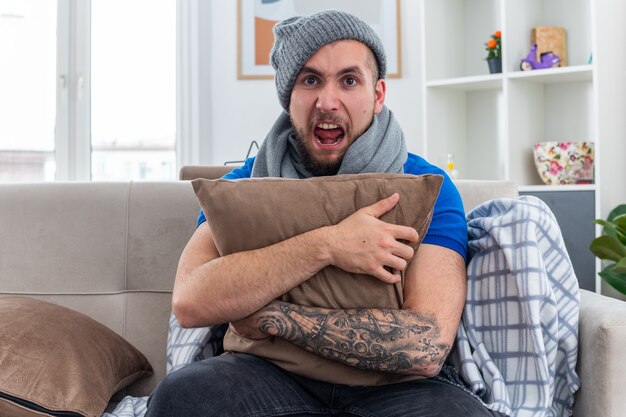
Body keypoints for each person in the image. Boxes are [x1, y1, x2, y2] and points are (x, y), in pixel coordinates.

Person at [145, 10, 500, 417]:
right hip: (266, 375)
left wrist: (273, 319)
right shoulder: (244, 185)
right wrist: (328, 245)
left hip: (396, 390)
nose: (327, 102)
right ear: (288, 95)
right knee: (182, 397)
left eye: (349, 81)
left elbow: (426, 346)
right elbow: (191, 300)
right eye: (310, 80)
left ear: (378, 94)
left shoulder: (426, 183)